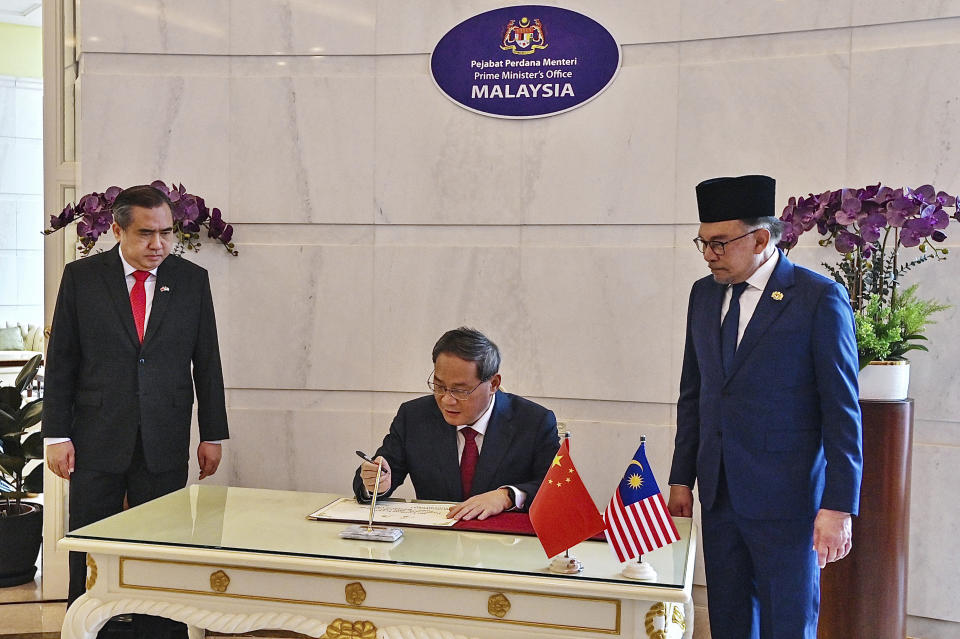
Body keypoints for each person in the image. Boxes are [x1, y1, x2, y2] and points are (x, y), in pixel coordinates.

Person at [667, 175, 863, 639]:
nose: (709, 254)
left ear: (760, 238)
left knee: (787, 621)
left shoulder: (817, 299)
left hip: (788, 498)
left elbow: (842, 412)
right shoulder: (703, 294)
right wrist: (681, 476)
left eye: (719, 243)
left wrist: (838, 506)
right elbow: (694, 393)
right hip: (718, 492)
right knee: (730, 618)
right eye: (703, 243)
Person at [43, 185, 229, 638]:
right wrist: (55, 435)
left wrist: (212, 433)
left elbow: (207, 359)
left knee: (163, 544)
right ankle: (86, 626)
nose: (158, 245)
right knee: (90, 542)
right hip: (95, 434)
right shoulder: (82, 277)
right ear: (116, 229)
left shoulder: (191, 280)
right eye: (146, 234)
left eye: (166, 233)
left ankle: (160, 629)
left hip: (163, 435)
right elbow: (62, 359)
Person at [353, 327, 559, 521]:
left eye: (460, 391)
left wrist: (507, 496)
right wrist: (376, 483)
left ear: (493, 384)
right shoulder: (414, 417)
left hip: (504, 547)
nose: (446, 400)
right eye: (439, 386)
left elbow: (556, 489)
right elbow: (381, 471)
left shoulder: (534, 421)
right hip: (435, 547)